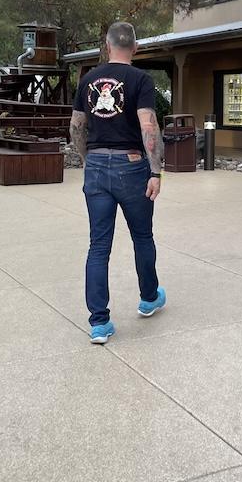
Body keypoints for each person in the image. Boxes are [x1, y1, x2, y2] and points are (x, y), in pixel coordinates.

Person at [70, 22, 165, 344]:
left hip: (96, 165)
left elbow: (76, 128)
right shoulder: (141, 79)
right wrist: (155, 172)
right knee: (142, 236)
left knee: (98, 246)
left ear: (107, 46)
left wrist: (87, 161)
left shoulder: (87, 80)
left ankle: (99, 323)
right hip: (131, 166)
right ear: (135, 48)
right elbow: (148, 127)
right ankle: (149, 298)